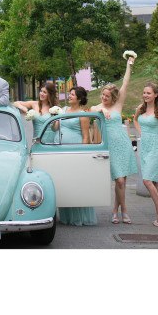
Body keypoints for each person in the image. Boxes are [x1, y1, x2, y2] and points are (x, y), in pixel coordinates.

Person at [94, 53, 139, 225]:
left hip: (123, 144)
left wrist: (129, 65)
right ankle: (124, 210)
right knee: (119, 180)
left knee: (122, 182)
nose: (104, 98)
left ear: (113, 97)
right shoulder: (97, 107)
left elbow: (125, 83)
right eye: (103, 95)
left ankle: (115, 211)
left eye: (107, 96)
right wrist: (102, 110)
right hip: (109, 146)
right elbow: (92, 111)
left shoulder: (118, 105)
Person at [56, 86, 100, 226]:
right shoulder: (63, 110)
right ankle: (67, 216)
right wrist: (54, 117)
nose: (69, 96)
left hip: (74, 150)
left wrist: (82, 155)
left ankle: (80, 217)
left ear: (79, 98)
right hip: (60, 150)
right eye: (69, 94)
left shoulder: (82, 114)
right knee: (64, 181)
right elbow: (54, 128)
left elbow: (86, 136)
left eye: (72, 94)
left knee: (75, 181)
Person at [132, 84, 158, 227]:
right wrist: (141, 133)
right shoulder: (140, 108)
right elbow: (135, 120)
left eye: (148, 93)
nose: (145, 95)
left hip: (155, 146)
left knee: (147, 181)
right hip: (144, 146)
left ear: (155, 95)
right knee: (154, 182)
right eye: (144, 93)